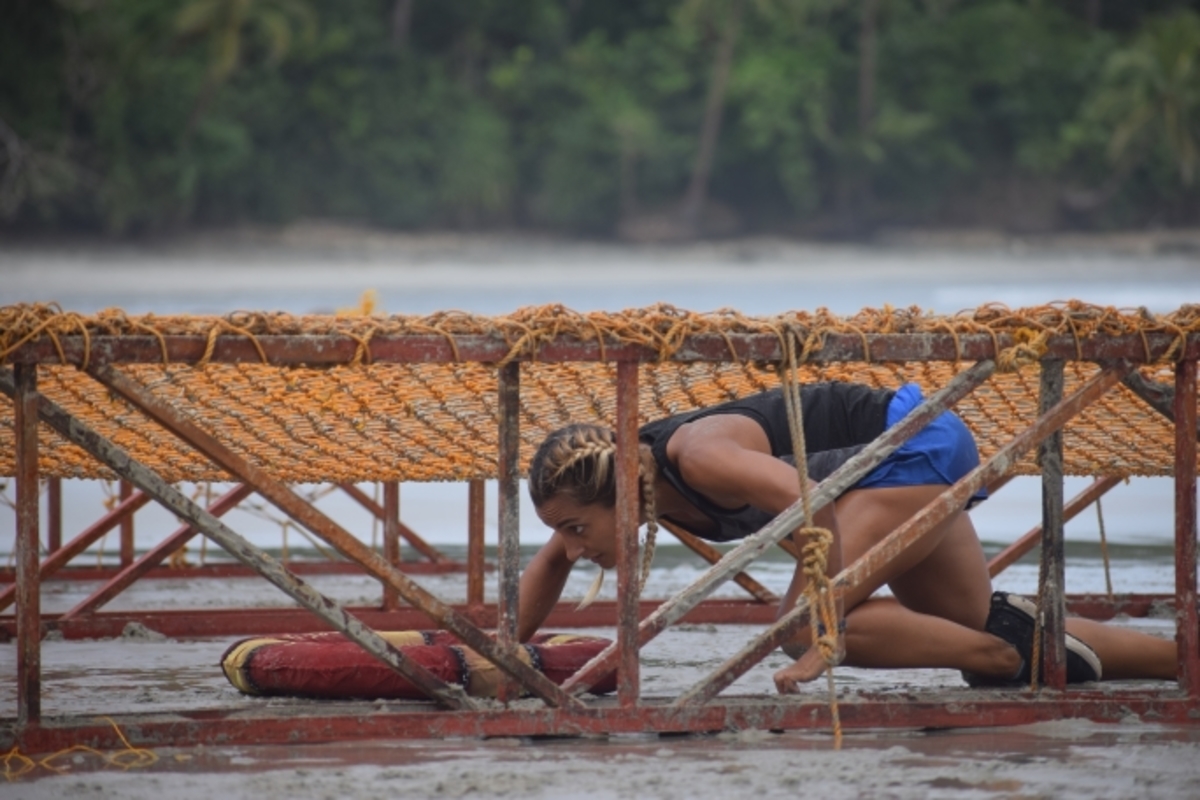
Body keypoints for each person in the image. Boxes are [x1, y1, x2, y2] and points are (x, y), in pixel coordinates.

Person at [516, 380, 1177, 693]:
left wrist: (821, 621)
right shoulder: (627, 485)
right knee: (975, 620)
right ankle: (1178, 661)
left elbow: (808, 502)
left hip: (909, 444)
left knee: (801, 626)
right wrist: (497, 649)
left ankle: (999, 662)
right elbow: (548, 567)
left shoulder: (698, 456)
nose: (573, 548)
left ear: (619, 490)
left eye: (576, 529)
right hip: (881, 476)